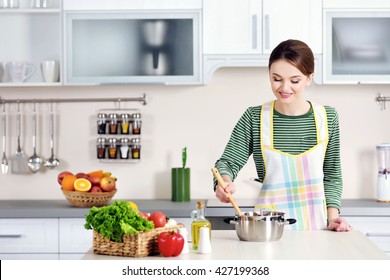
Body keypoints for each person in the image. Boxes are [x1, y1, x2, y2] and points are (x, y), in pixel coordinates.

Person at [214, 39, 352, 232]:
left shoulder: (327, 118)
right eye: (276, 79)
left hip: (316, 231)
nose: (284, 88)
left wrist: (333, 219)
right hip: (267, 232)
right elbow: (227, 163)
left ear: (309, 78)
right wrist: (224, 182)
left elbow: (332, 175)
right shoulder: (255, 117)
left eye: (294, 81)